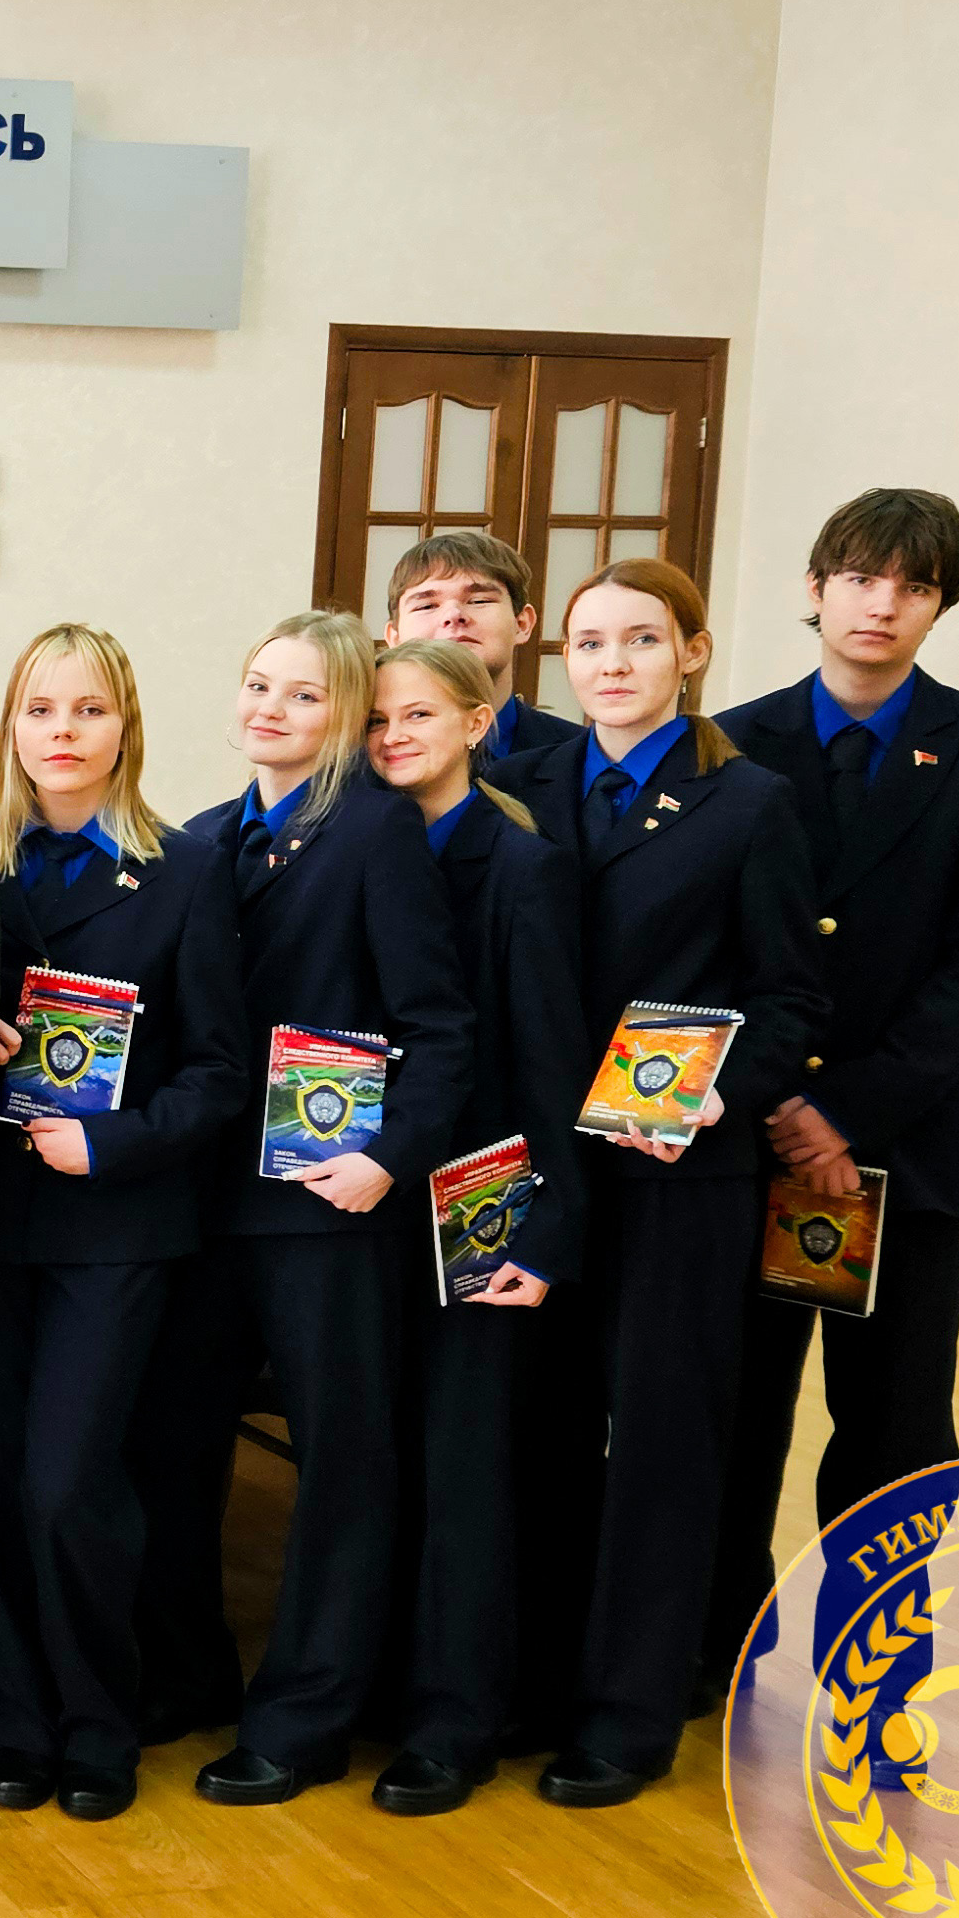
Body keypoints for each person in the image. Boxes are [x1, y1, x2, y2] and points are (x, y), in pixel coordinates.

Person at [701, 490, 959, 1689]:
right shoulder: (730, 741)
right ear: (814, 589)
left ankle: (876, 1676)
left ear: (938, 604)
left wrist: (844, 1111)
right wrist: (774, 1099)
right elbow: (705, 946)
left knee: (896, 1427)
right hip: (746, 1134)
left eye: (913, 585)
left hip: (901, 1146)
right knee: (734, 1408)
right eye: (858, 577)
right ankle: (713, 1651)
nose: (881, 603)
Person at [129, 609, 474, 1805]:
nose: (270, 708)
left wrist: (388, 1156)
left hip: (325, 1200)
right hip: (199, 1196)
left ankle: (307, 1713)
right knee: (171, 1441)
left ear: (347, 720)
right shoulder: (196, 837)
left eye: (304, 694)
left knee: (339, 1461)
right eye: (258, 684)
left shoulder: (375, 832)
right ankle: (186, 1672)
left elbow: (440, 1026)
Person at [498, 557, 827, 1808]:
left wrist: (718, 1093)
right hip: (543, 1159)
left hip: (677, 1168)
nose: (613, 662)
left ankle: (631, 1711)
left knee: (660, 1435)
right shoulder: (523, 787)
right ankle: (536, 1680)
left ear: (691, 652)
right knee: (540, 1422)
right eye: (590, 642)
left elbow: (790, 993)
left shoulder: (748, 803)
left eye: (641, 638)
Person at [0, 624, 251, 1826]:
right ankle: (18, 1725)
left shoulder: (184, 871)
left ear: (126, 725)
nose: (62, 731)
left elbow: (220, 1071)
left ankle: (97, 1720)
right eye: (40, 709)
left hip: (116, 1224)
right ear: (10, 727)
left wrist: (114, 1141)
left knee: (70, 1481)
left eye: (87, 709)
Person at [360, 636, 588, 1815]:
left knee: (466, 1466)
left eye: (417, 714)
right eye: (376, 719)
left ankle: (456, 1719)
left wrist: (544, 1232)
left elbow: (553, 1068)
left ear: (475, 722)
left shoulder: (521, 866)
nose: (393, 736)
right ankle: (380, 1685)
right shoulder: (351, 846)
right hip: (360, 1200)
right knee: (383, 1453)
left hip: (481, 1198)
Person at [383, 530, 582, 766]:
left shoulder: (581, 759)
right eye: (427, 606)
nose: (453, 615)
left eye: (479, 601)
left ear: (522, 623)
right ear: (394, 637)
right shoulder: (359, 762)